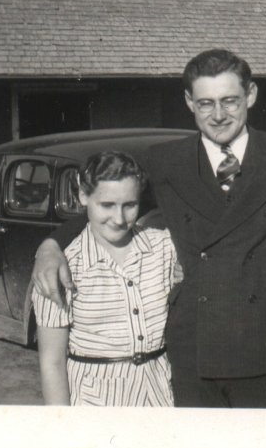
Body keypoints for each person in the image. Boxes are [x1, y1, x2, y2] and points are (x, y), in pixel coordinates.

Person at [33, 48, 266, 408]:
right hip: (195, 353)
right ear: (189, 103)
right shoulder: (166, 162)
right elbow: (112, 205)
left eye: (229, 101)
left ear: (250, 95)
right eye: (205, 103)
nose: (218, 115)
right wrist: (50, 245)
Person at [32, 151, 177, 406]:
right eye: (107, 205)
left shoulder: (164, 248)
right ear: (83, 196)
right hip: (95, 403)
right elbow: (51, 363)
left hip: (160, 397)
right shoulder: (62, 268)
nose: (119, 219)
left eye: (130, 205)